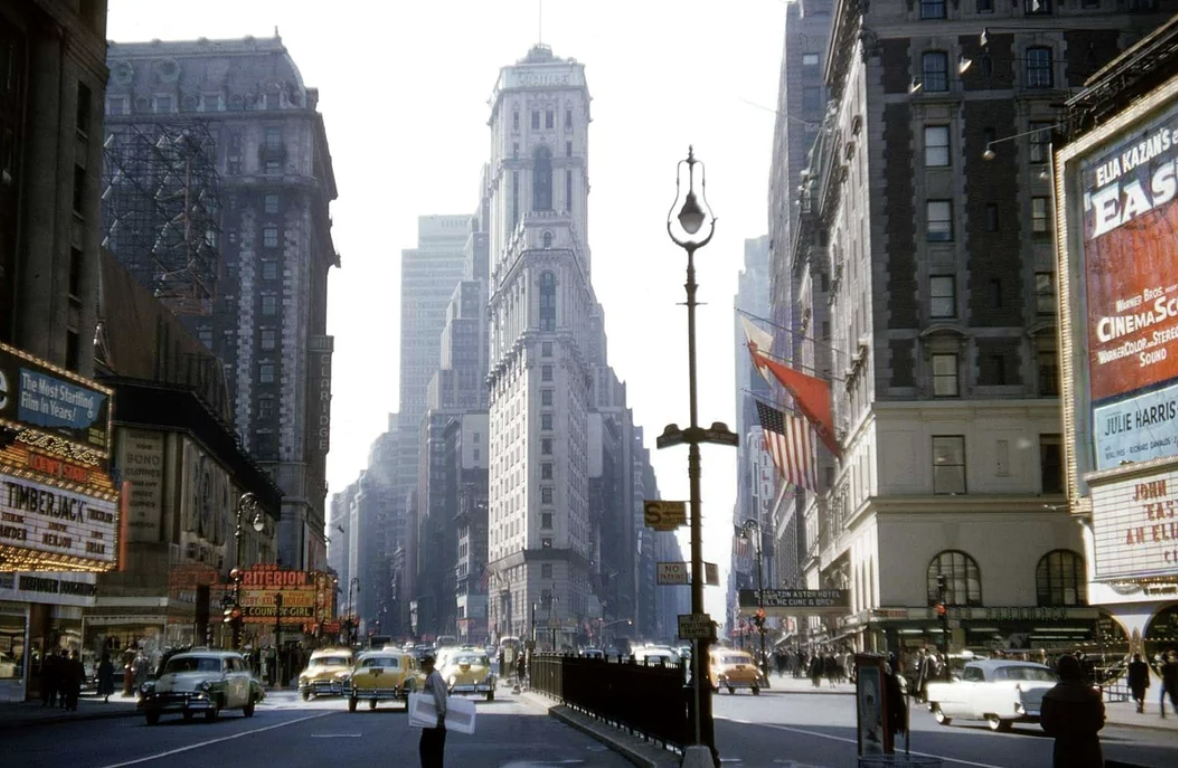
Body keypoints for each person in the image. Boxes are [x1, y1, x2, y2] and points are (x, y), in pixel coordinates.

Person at [1040, 655, 1104, 768]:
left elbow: (1047, 725)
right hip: (1089, 747)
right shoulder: (1091, 695)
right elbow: (1099, 722)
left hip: (1064, 748)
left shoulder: (1051, 696)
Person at [419, 654, 447, 768]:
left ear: (430, 664)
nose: (422, 667)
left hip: (436, 722)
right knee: (427, 751)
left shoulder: (434, 677)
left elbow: (439, 696)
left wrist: (441, 714)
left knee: (432, 753)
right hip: (430, 720)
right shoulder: (431, 676)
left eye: (424, 664)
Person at [1162, 650, 1178, 718]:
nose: (1171, 657)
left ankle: (1174, 708)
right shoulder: (1172, 664)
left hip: (1171, 682)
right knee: (1173, 695)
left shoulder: (1171, 664)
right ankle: (1174, 708)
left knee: (1172, 695)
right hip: (1172, 682)